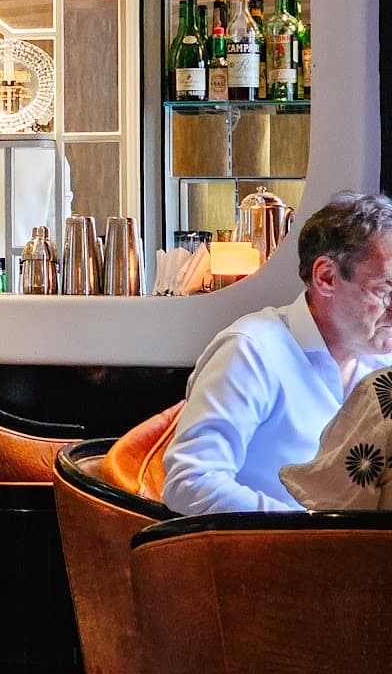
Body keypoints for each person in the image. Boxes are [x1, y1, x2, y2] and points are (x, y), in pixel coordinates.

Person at [162, 191, 392, 514]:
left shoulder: (384, 366)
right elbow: (190, 483)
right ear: (325, 277)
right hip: (268, 558)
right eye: (384, 290)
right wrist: (312, 533)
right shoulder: (251, 351)